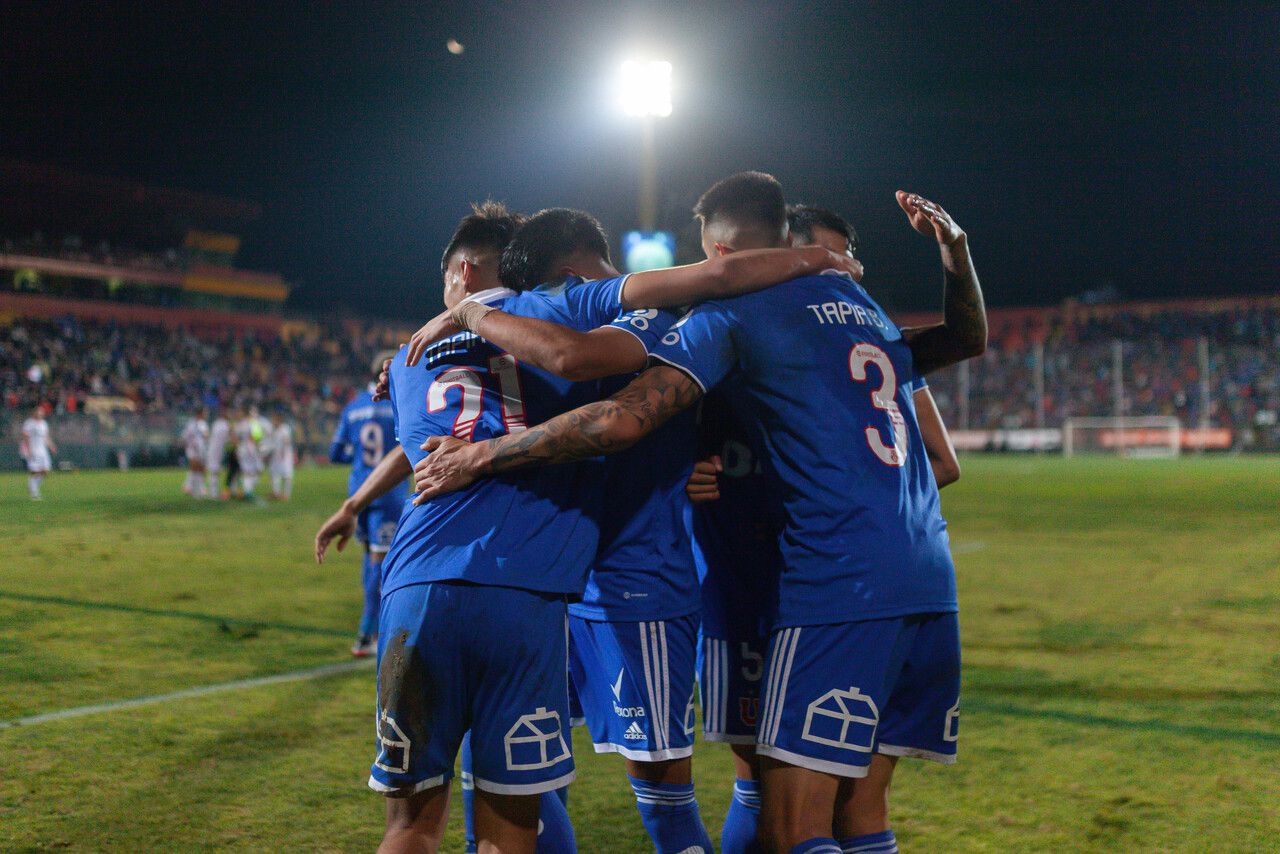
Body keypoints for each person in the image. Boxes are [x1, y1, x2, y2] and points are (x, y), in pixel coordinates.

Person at [410, 172, 984, 854]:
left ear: (717, 252)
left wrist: (483, 446)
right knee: (859, 812)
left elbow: (621, 417)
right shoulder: (864, 309)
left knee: (789, 823)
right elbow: (962, 344)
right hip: (922, 576)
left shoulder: (727, 316)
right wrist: (955, 251)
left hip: (825, 581)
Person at [329, 198, 860, 854]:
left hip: (599, 583)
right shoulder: (538, 317)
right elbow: (534, 383)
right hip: (541, 589)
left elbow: (457, 421)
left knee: (628, 799)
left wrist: (703, 451)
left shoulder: (440, 347)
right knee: (520, 800)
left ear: (464, 273)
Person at [687, 204, 965, 853]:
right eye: (823, 257)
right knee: (843, 804)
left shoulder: (740, 322)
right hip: (789, 583)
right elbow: (943, 460)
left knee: (777, 797)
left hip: (803, 584)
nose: (838, 276)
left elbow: (942, 461)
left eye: (847, 262)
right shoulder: (865, 331)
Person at [328, 359, 408, 657]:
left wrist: (361, 460)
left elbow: (335, 452)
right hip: (388, 493)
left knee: (369, 555)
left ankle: (370, 625)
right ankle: (367, 633)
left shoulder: (353, 407)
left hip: (358, 492)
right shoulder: (399, 405)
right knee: (381, 559)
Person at [20, 405, 56, 500]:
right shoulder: (29, 423)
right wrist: (28, 450)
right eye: (39, 411)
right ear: (34, 412)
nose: (41, 413)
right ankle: (34, 492)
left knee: (46, 471)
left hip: (43, 450)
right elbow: (25, 436)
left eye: (42, 412)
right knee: (35, 471)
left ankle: (32, 485)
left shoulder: (44, 423)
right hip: (33, 449)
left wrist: (51, 446)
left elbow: (46, 437)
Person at [234, 406, 265, 501]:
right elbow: (257, 438)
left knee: (247, 471)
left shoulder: (239, 424)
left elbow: (234, 437)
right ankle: (247, 492)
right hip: (250, 449)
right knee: (257, 470)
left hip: (242, 448)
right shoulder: (253, 423)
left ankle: (245, 490)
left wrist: (237, 448)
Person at [180, 407, 210, 498]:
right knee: (199, 468)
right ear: (200, 414)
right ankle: (199, 488)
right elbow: (205, 435)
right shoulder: (197, 424)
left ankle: (188, 487)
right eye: (205, 413)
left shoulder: (195, 423)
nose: (206, 415)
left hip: (197, 449)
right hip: (195, 449)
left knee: (196, 469)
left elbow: (184, 437)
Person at [268, 411, 295, 500]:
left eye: (274, 420)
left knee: (287, 475)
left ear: (279, 420)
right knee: (274, 473)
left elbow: (287, 441)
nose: (273, 422)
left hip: (284, 456)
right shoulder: (273, 430)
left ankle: (286, 495)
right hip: (276, 455)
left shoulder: (285, 429)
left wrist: (283, 453)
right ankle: (276, 493)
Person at [206, 407, 231, 500]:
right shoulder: (226, 425)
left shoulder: (216, 424)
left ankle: (214, 493)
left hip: (212, 450)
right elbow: (228, 439)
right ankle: (213, 494)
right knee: (214, 472)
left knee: (214, 472)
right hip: (217, 451)